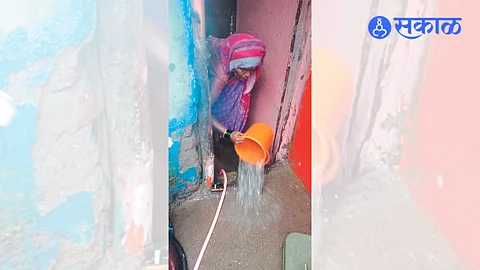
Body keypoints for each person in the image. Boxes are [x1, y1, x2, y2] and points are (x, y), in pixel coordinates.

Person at [207, 33, 267, 183]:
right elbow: (205, 113)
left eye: (252, 69)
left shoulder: (237, 59)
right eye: (243, 69)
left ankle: (219, 142)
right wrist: (228, 133)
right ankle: (214, 164)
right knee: (210, 129)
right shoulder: (220, 76)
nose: (248, 75)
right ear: (233, 64)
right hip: (212, 98)